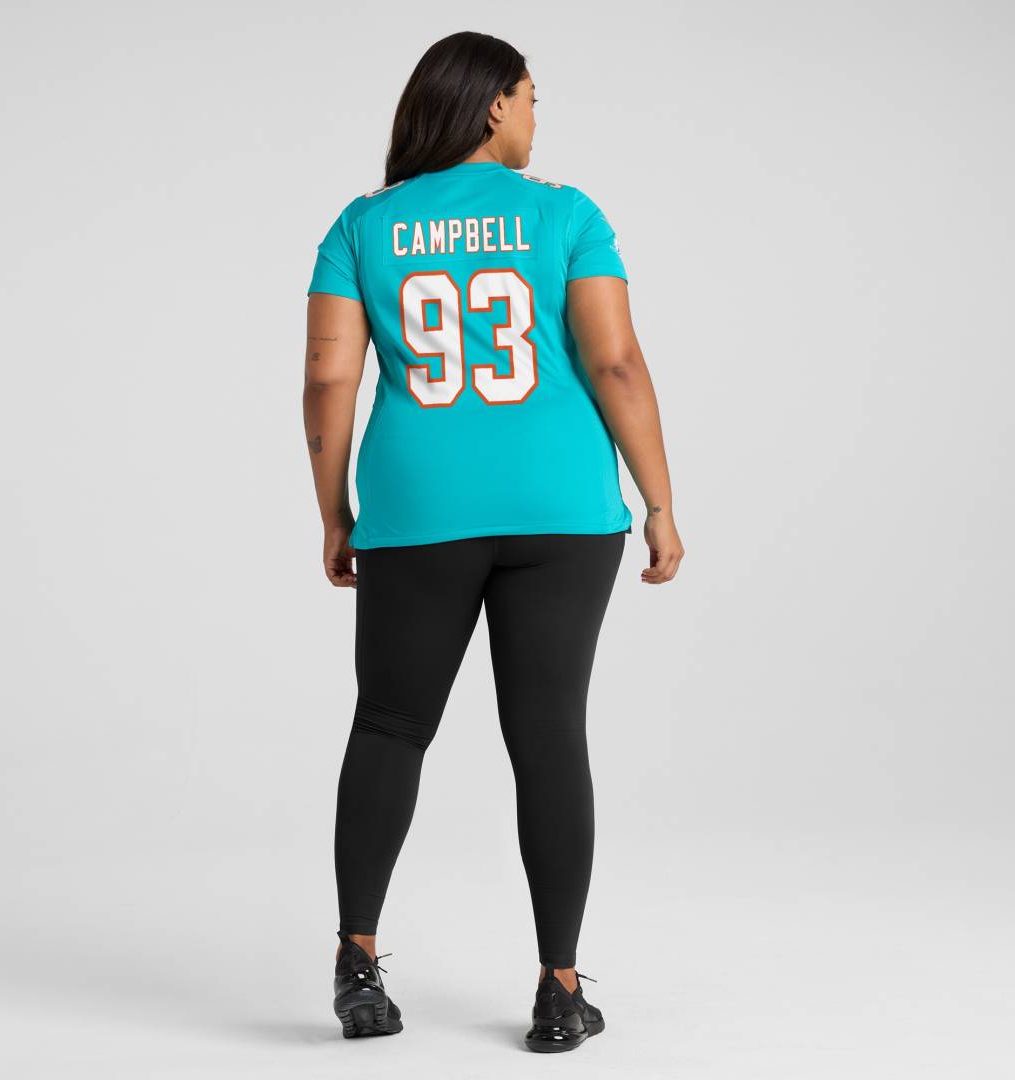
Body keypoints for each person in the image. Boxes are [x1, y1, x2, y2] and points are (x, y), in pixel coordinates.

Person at [303, 30, 683, 1052]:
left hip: (417, 509)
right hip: (561, 511)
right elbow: (616, 364)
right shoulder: (566, 214)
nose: (535, 117)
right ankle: (560, 989)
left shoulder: (365, 223)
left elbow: (330, 378)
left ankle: (356, 963)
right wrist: (658, 500)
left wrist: (334, 511)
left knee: (390, 725)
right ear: (492, 106)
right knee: (549, 734)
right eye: (530, 97)